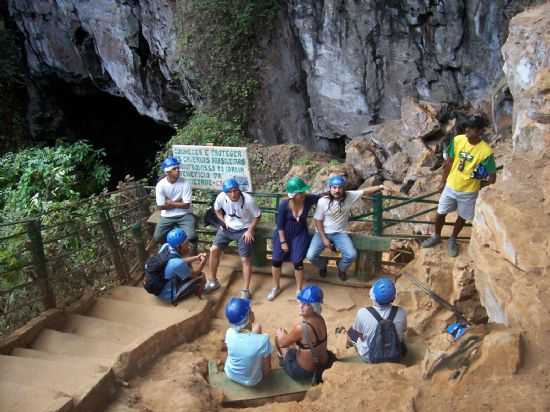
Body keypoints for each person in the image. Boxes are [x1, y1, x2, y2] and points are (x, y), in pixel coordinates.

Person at [422, 115, 497, 257]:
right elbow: (449, 162)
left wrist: (478, 182)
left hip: (469, 192)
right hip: (451, 186)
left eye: (472, 128)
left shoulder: (486, 152)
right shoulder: (458, 140)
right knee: (440, 213)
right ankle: (436, 236)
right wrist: (443, 182)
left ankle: (453, 239)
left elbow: (492, 177)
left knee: (462, 217)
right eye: (467, 127)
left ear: (480, 131)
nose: (467, 130)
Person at [306, 175, 383, 281]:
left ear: (343, 188)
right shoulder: (323, 201)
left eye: (340, 187)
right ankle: (322, 265)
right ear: (330, 187)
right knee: (310, 256)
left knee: (351, 255)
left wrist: (380, 186)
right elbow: (317, 220)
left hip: (339, 233)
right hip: (322, 233)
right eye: (334, 187)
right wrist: (324, 238)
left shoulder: (349, 196)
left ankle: (341, 268)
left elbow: (364, 191)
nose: (337, 190)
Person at [204, 178, 261, 299]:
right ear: (225, 192)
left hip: (244, 229)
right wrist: (222, 221)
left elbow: (257, 216)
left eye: (235, 191)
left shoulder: (248, 201)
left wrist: (250, 230)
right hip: (227, 228)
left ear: (239, 190)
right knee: (213, 250)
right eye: (230, 191)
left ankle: (245, 290)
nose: (233, 194)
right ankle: (213, 281)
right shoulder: (221, 197)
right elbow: (216, 209)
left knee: (245, 259)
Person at [268, 177, 320, 301]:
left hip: (300, 233)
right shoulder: (284, 205)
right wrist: (283, 242)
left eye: (303, 192)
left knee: (297, 261)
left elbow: (322, 197)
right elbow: (279, 226)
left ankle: (299, 289)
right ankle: (276, 287)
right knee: (276, 259)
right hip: (284, 233)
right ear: (293, 195)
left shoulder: (307, 200)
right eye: (299, 193)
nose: (303, 194)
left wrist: (335, 192)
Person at [275, 285, 335, 383]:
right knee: (301, 344)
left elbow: (282, 343)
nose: (301, 306)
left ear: (314, 307)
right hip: (323, 363)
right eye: (301, 302)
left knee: (279, 337)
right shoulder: (320, 319)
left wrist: (281, 335)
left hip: (304, 371)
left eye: (306, 304)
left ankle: (284, 362)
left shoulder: (301, 328)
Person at [346, 277, 407, 363]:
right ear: (393, 298)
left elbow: (355, 335)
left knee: (351, 334)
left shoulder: (362, 313)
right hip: (395, 354)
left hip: (370, 356)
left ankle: (347, 345)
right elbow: (404, 330)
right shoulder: (401, 312)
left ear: (372, 296)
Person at [224, 297, 272, 386]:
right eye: (250, 311)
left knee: (257, 327)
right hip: (251, 381)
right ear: (250, 316)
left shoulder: (229, 333)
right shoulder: (263, 340)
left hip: (230, 373)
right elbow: (267, 371)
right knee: (257, 331)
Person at [154, 157, 197, 254]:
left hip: (185, 214)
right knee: (158, 237)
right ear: (167, 172)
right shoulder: (161, 185)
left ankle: (192, 257)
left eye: (178, 168)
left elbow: (186, 205)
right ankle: (169, 252)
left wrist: (170, 202)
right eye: (174, 169)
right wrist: (179, 202)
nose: (178, 170)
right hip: (167, 216)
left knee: (192, 236)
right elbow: (160, 206)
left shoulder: (185, 183)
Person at [157, 228, 207, 303]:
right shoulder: (177, 264)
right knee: (201, 277)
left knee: (187, 265)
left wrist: (196, 258)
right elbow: (195, 274)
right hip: (168, 295)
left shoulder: (166, 246)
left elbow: (178, 261)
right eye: (186, 244)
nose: (189, 246)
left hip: (160, 286)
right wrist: (203, 263)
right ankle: (200, 301)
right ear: (178, 247)